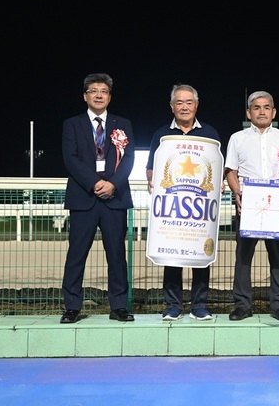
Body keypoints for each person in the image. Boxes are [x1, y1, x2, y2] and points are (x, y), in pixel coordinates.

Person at [60, 73, 135, 324]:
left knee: (116, 255)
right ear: (85, 96)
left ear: (110, 96)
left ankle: (118, 306)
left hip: (115, 198)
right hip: (83, 198)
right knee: (76, 255)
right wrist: (94, 183)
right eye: (93, 91)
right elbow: (70, 158)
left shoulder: (122, 123)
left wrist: (112, 184)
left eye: (103, 91)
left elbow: (129, 159)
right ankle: (72, 306)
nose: (99, 95)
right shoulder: (72, 124)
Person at [146, 84, 222, 321]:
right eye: (179, 102)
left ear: (196, 105)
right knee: (172, 257)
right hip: (173, 209)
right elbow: (151, 168)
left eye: (189, 102)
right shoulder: (161, 135)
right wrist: (153, 181)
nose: (184, 107)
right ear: (172, 106)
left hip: (199, 210)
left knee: (200, 257)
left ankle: (199, 306)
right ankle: (173, 306)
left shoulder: (210, 133)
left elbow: (217, 168)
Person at [224, 91, 279, 321]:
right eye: (256, 107)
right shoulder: (237, 138)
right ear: (249, 113)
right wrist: (237, 192)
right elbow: (230, 171)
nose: (262, 111)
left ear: (274, 112)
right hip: (247, 206)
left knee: (278, 256)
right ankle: (242, 305)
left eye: (266, 107)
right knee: (243, 256)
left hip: (275, 205)